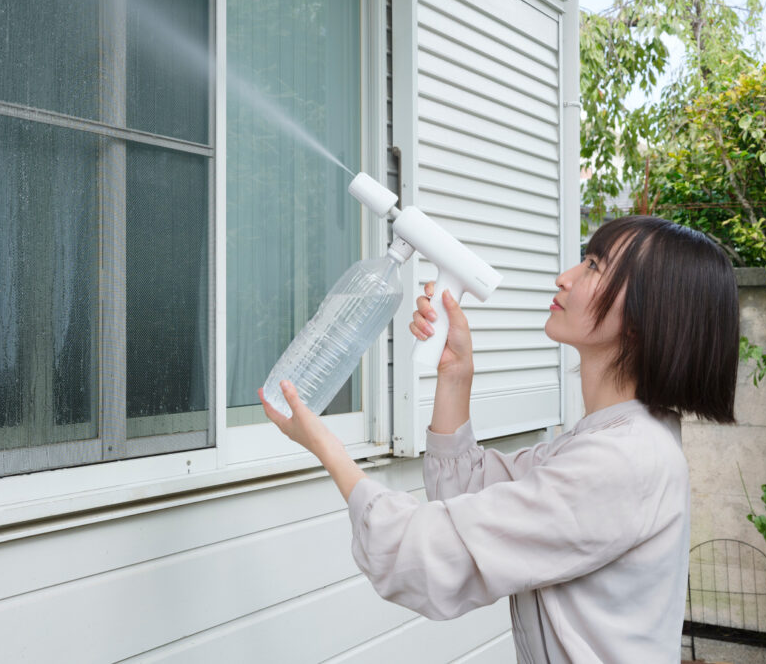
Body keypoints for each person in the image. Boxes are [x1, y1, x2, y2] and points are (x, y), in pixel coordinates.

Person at [259, 215, 739, 663]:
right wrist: (455, 374)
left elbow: (428, 552)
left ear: (642, 317)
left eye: (593, 266)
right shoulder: (610, 441)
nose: (564, 277)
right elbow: (468, 497)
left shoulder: (625, 462)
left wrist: (326, 445)